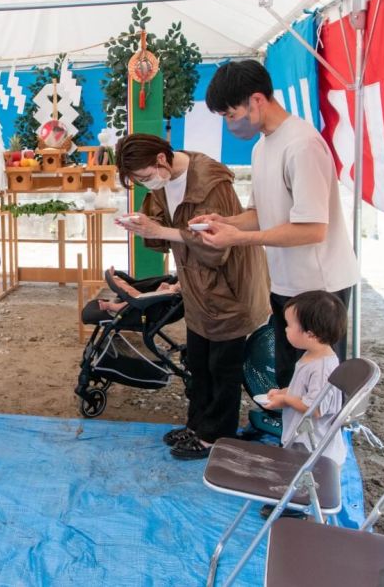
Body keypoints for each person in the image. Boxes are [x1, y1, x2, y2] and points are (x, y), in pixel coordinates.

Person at [195, 60, 358, 388]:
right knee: (288, 377)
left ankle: (317, 441)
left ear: (256, 100)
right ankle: (290, 437)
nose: (230, 124)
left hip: (318, 285)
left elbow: (312, 229)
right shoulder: (262, 146)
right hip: (284, 281)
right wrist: (223, 221)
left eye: (230, 114)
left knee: (316, 385)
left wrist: (238, 239)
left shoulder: (302, 145)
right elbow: (260, 212)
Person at [116, 133, 270, 459]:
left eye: (145, 177)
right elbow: (164, 234)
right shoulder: (166, 180)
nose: (147, 186)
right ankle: (197, 426)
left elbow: (217, 249)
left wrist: (161, 231)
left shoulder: (210, 183)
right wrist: (146, 226)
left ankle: (215, 438)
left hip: (229, 288)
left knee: (222, 367)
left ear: (161, 160)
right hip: (197, 287)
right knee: (199, 362)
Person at [263, 290, 348, 467]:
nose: (285, 329)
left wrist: (286, 399)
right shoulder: (312, 355)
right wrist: (283, 392)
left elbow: (315, 408)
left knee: (301, 478)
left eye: (289, 325)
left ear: (310, 334)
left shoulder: (322, 368)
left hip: (313, 445)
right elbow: (304, 391)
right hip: (303, 437)